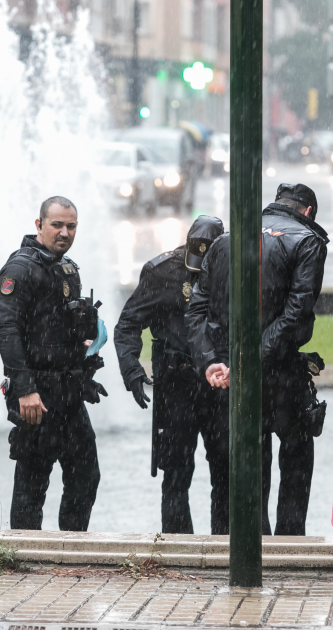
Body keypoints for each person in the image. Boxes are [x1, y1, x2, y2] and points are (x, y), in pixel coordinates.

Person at [187, 183, 329, 536]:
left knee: (251, 458)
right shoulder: (306, 241)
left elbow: (197, 310)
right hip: (280, 369)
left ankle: (255, 540)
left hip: (232, 370)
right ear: (308, 211)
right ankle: (290, 540)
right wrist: (255, 357)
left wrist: (210, 361)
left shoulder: (225, 241)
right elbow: (296, 313)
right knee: (295, 457)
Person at [0, 196, 106, 531]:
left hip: (68, 393)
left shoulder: (65, 267)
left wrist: (85, 341)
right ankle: (25, 559)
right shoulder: (20, 269)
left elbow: (56, 325)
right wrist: (25, 390)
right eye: (57, 225)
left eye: (71, 226)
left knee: (86, 476)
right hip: (37, 395)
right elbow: (5, 330)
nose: (64, 232)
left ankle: (70, 550)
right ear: (39, 225)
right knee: (33, 483)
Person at [113, 215, 229, 534]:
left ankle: (226, 548)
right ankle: (180, 551)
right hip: (176, 384)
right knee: (176, 474)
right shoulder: (162, 272)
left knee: (227, 472)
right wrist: (132, 370)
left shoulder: (232, 266)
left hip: (220, 383)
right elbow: (127, 325)